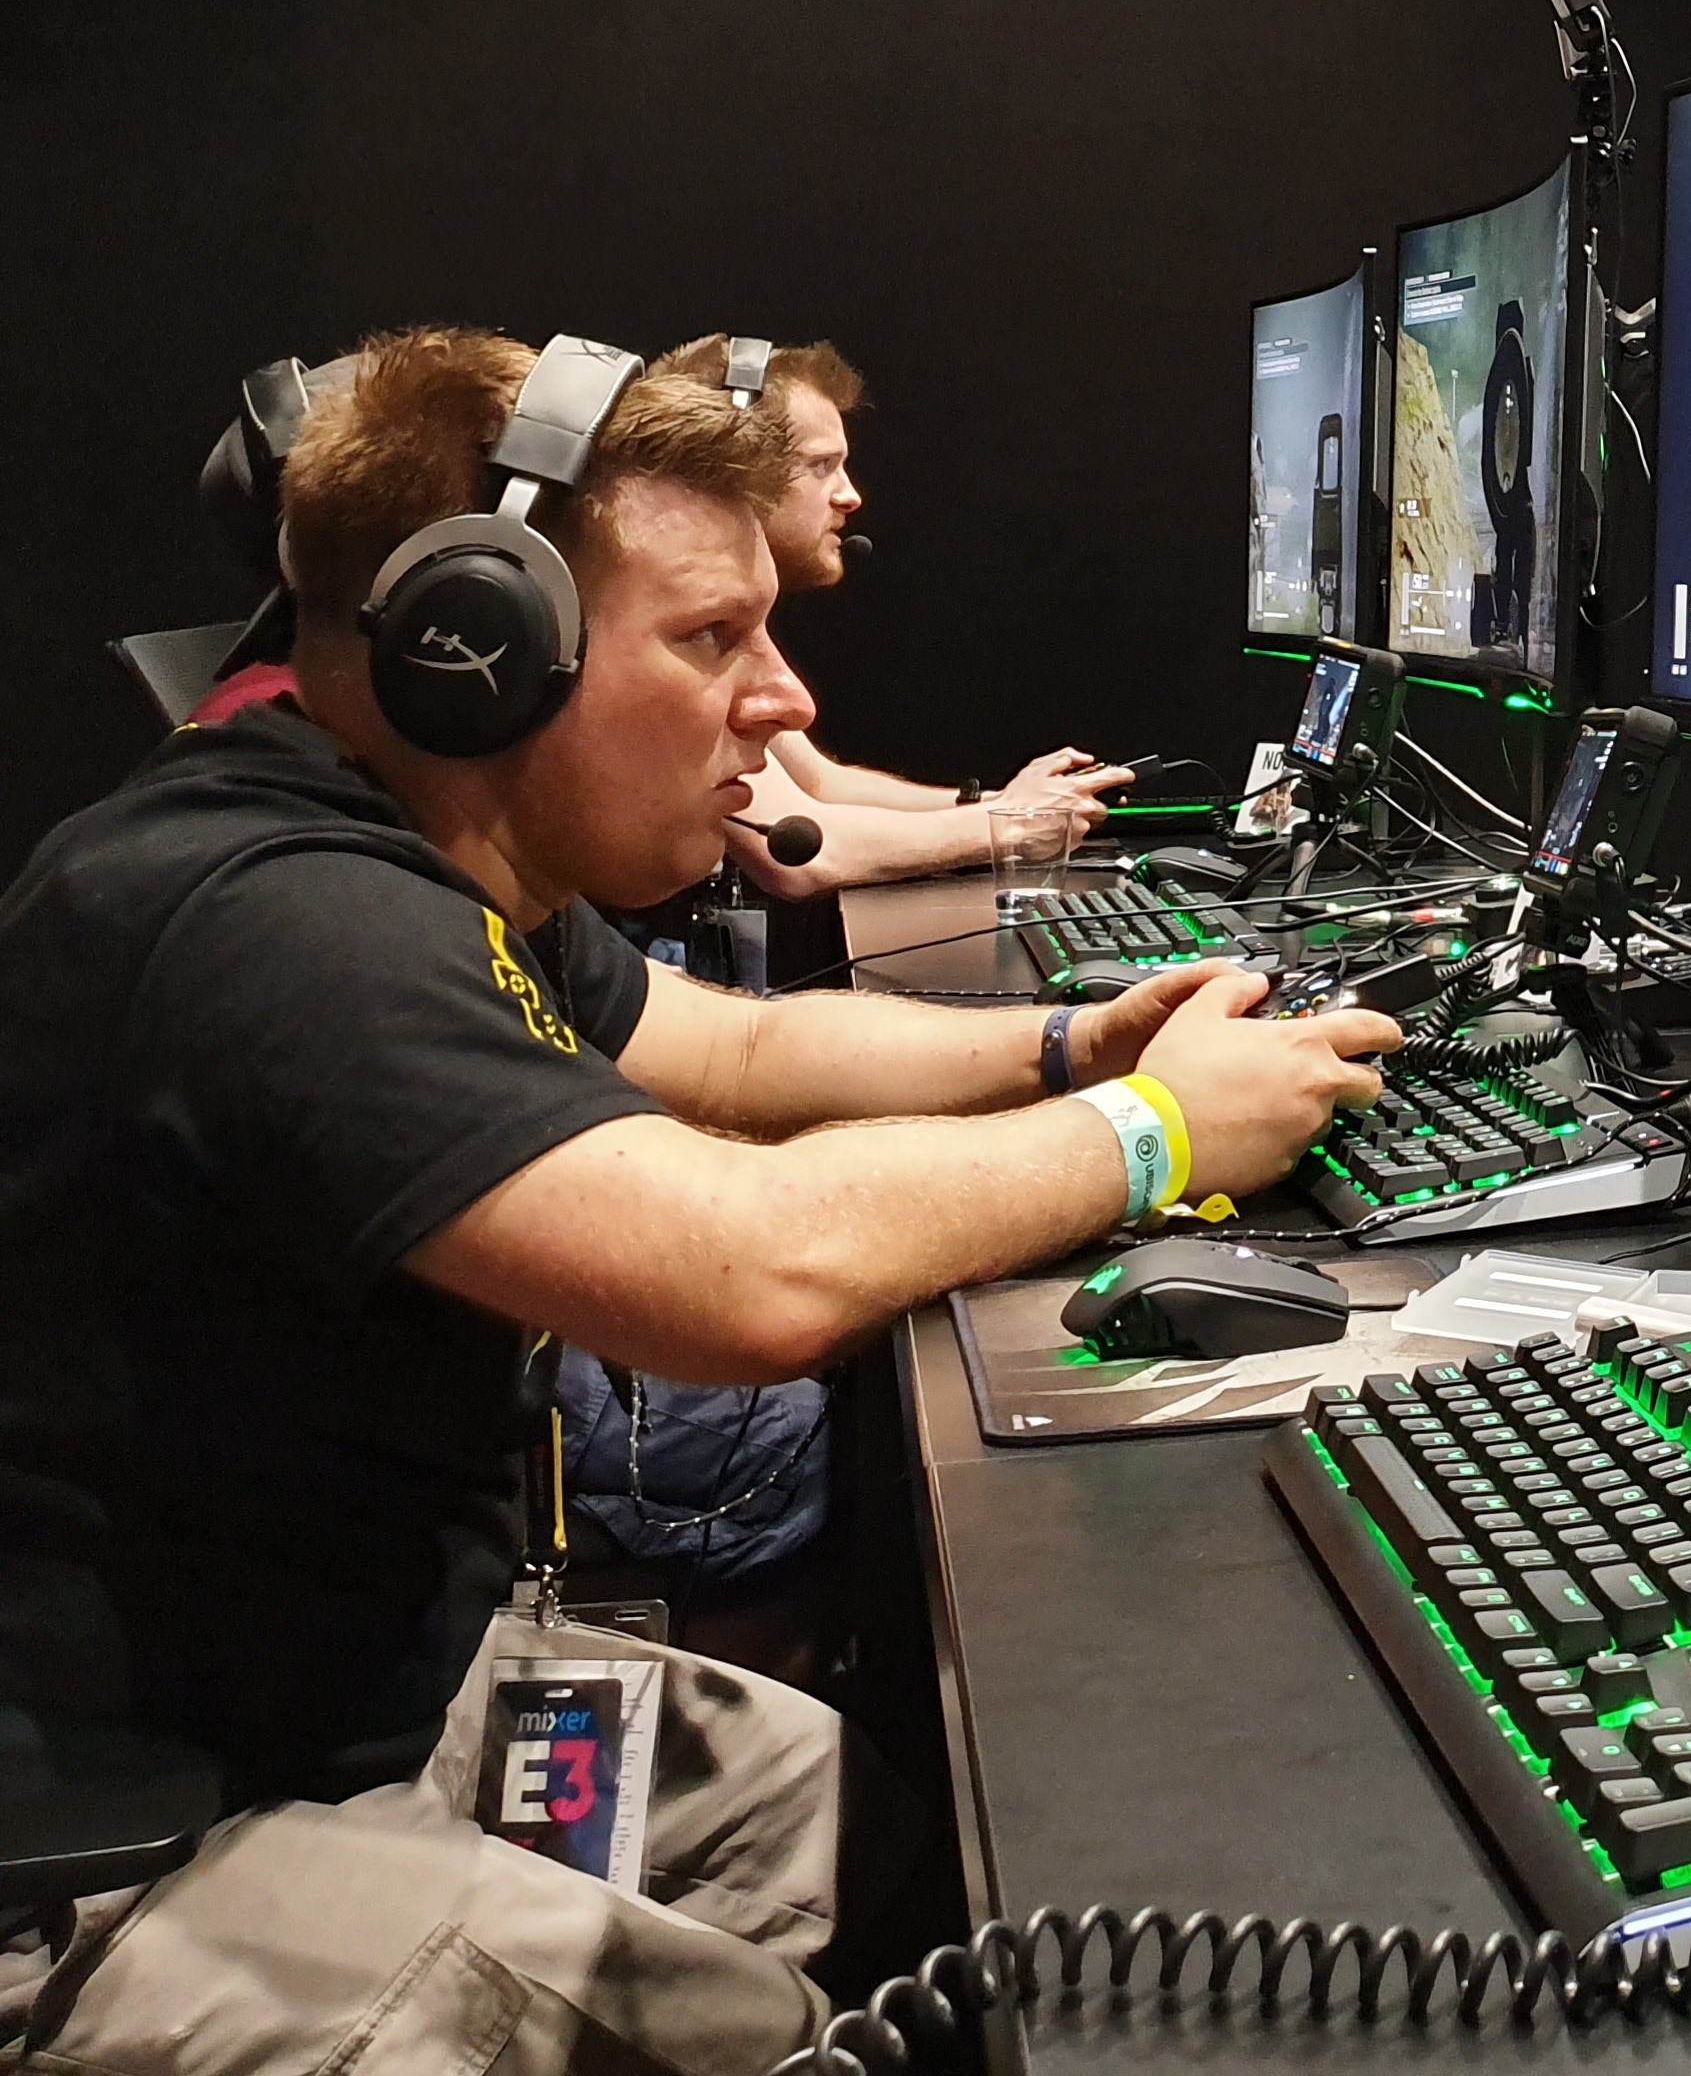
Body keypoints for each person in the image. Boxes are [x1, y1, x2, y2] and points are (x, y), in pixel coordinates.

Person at [0, 328, 1393, 2067]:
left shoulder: (433, 853)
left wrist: (1068, 1044)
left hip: (358, 1690)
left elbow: (738, 1049)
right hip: (125, 1849)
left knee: (885, 1835)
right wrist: (1155, 1132)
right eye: (711, 637)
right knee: (763, 2032)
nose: (785, 699)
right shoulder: (277, 916)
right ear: (476, 650)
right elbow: (743, 1276)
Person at [646, 335, 1126, 894]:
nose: (850, 496)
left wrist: (1004, 804)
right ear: (733, 475)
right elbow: (804, 850)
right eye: (821, 466)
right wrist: (1010, 827)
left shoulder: (730, 631)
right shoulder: (686, 631)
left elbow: (821, 784)